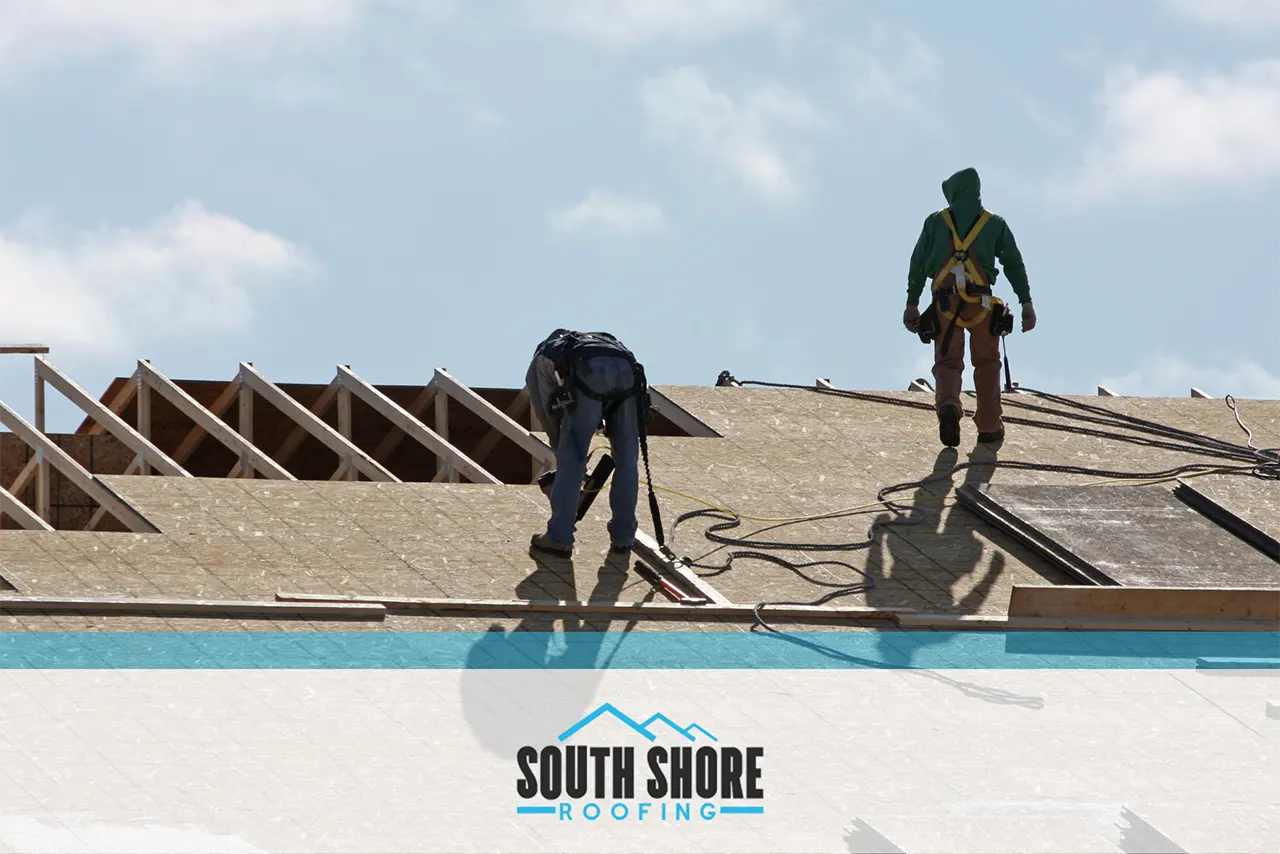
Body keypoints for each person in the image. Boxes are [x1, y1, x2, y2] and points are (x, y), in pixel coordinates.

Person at [903, 167, 1036, 447]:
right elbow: (1014, 263)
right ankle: (988, 425)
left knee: (948, 362)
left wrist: (912, 304)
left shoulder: (935, 222)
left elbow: (917, 263)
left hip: (945, 302)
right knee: (987, 363)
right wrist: (1026, 303)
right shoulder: (995, 224)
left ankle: (949, 404)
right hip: (981, 304)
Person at [525, 329, 645, 558]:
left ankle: (559, 538)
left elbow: (551, 420)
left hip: (587, 372)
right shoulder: (598, 343)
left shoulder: (540, 362)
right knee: (628, 456)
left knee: (573, 455)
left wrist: (567, 466)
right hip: (627, 371)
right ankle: (624, 537)